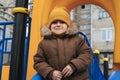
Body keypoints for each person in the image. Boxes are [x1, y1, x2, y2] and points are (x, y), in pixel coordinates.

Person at [33, 7, 93, 80]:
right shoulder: (44, 43)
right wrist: (50, 72)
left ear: (68, 25)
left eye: (62, 22)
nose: (58, 25)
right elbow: (39, 61)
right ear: (50, 26)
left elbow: (86, 55)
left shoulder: (78, 40)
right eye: (54, 22)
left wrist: (73, 66)